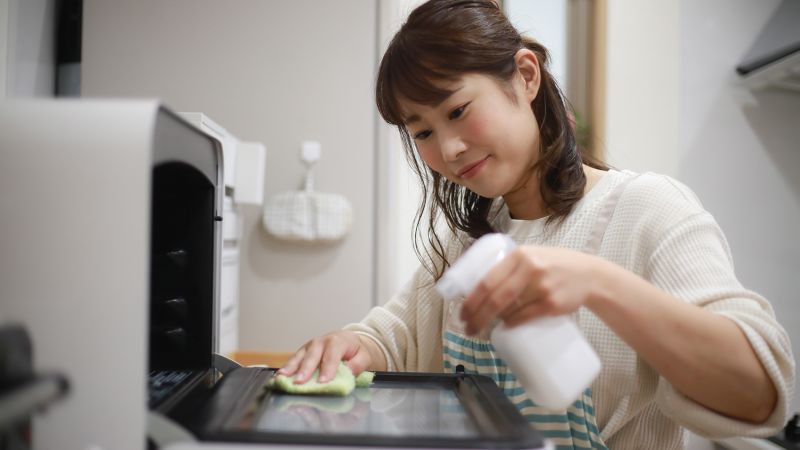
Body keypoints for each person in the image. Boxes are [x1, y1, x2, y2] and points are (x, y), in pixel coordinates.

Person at [277, 1, 795, 448]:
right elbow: (398, 334)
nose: (449, 149)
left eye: (457, 110)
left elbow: (760, 394)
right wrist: (354, 346)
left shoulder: (649, 209)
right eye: (422, 133)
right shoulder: (468, 239)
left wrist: (598, 284)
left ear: (525, 77)